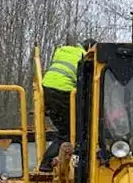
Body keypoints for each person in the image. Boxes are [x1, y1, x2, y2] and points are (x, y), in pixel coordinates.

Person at [39, 37, 96, 171]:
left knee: (65, 127)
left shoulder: (62, 51)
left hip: (47, 89)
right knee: (69, 131)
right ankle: (46, 163)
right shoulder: (84, 57)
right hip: (63, 92)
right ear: (89, 48)